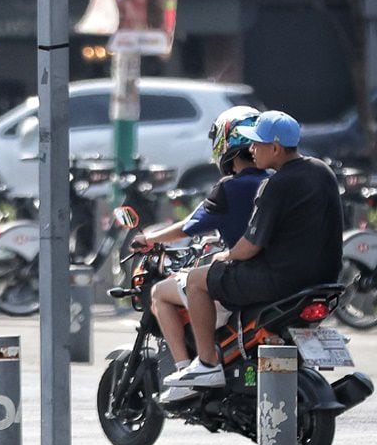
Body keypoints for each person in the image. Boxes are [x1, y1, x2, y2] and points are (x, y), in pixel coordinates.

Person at [162, 110, 344, 393]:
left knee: (196, 280)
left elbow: (250, 246)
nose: (251, 149)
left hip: (279, 281)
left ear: (275, 148)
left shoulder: (275, 185)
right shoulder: (322, 172)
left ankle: (207, 365)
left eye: (257, 144)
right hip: (325, 280)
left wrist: (224, 256)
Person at [131, 106, 268, 404]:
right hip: (272, 281)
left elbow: (188, 227)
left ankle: (189, 371)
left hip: (239, 283)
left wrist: (148, 239)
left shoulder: (230, 188)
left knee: (160, 293)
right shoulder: (275, 182)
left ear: (225, 144)